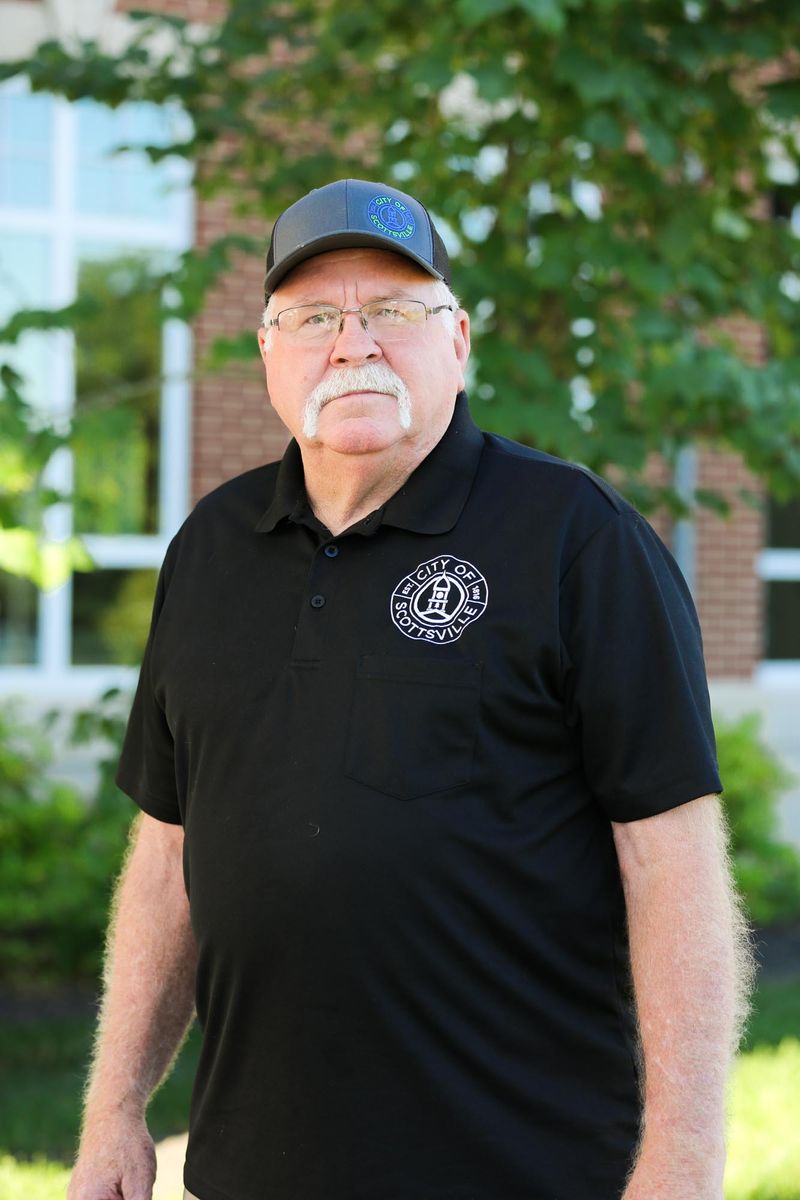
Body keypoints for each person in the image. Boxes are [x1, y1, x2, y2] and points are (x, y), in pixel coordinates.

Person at [68, 178, 754, 1200]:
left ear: (458, 339)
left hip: (523, 1170)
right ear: (267, 351)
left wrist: (683, 1163)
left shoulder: (576, 540)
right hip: (250, 1173)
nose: (353, 344)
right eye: (311, 318)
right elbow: (168, 852)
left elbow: (673, 868)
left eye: (393, 310)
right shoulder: (209, 549)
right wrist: (114, 1112)